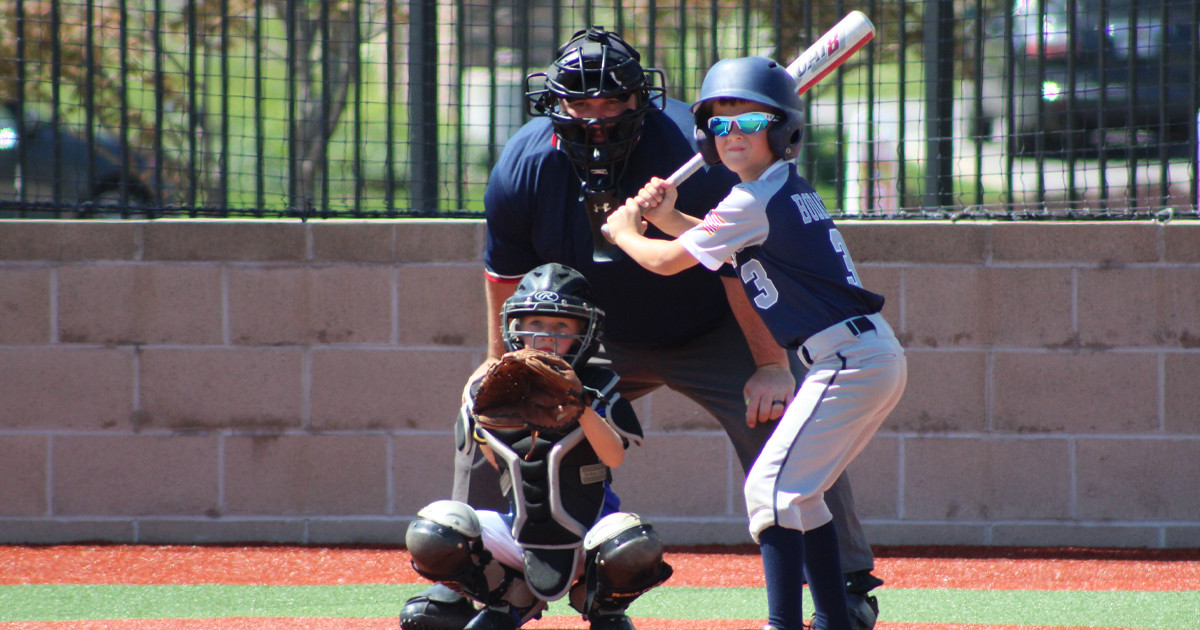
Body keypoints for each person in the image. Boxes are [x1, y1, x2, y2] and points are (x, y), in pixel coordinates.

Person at [436, 25, 885, 629]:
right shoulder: (524, 164)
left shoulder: (695, 146)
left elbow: (738, 268)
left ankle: (849, 586)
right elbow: (503, 277)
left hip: (712, 325)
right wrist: (499, 361)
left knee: (787, 427)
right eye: (581, 103)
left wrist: (771, 365)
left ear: (639, 100)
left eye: (612, 102)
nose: (596, 117)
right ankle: (475, 585)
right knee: (496, 407)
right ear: (556, 104)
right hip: (594, 340)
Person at [603, 56, 908, 630]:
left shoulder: (752, 200)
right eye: (719, 125)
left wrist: (625, 234)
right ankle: (835, 619)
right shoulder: (770, 192)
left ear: (781, 128)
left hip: (849, 361)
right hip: (859, 357)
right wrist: (669, 216)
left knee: (770, 490)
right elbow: (712, 243)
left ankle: (782, 624)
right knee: (802, 495)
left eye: (748, 121)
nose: (732, 134)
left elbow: (669, 264)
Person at [401, 263, 672, 630]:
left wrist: (581, 407)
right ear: (515, 327)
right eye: (536, 324)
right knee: (432, 533)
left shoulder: (598, 384)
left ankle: (600, 605)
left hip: (588, 538)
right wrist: (492, 411)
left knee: (632, 544)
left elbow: (614, 456)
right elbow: (500, 466)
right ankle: (511, 596)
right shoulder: (494, 387)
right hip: (520, 533)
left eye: (562, 326)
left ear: (584, 332)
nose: (546, 336)